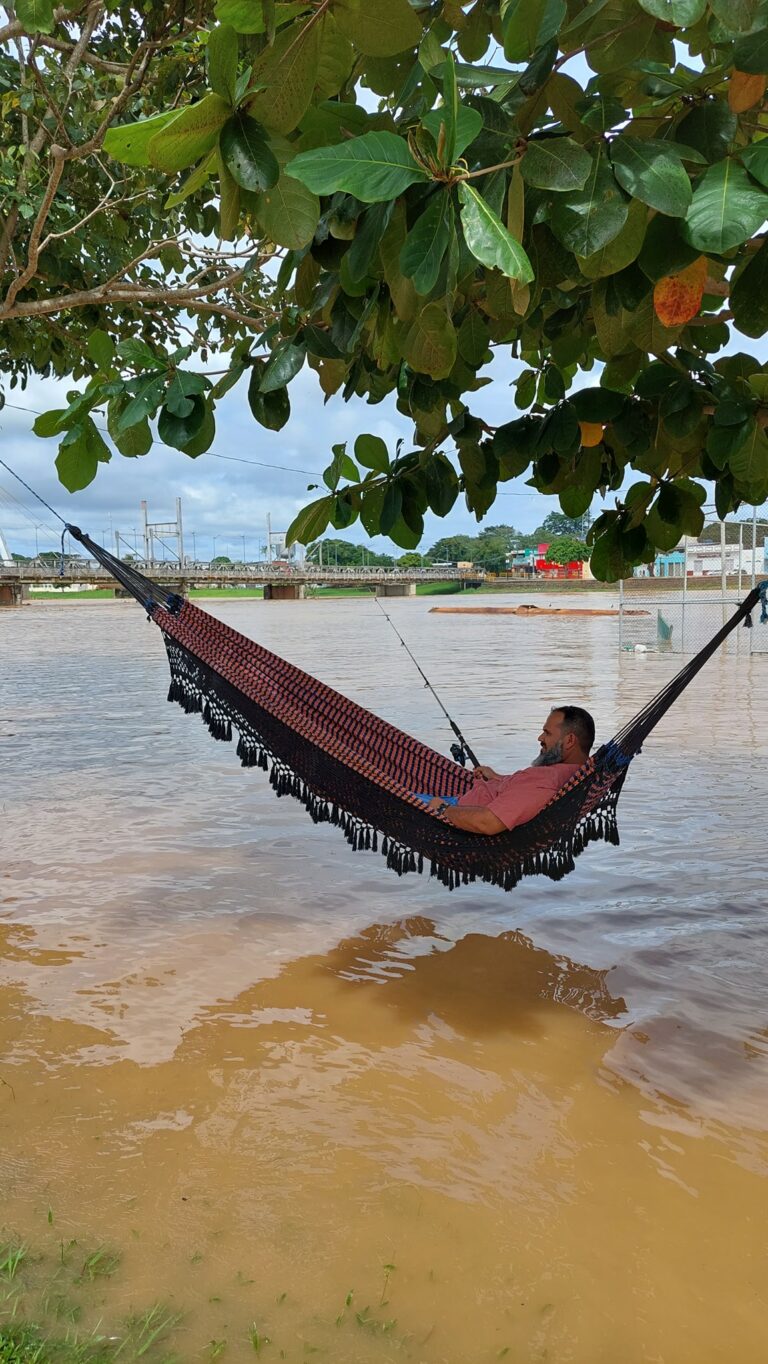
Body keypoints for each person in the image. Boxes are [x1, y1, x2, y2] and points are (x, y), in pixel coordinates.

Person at [420, 706, 595, 836]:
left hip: (456, 810)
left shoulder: (544, 781)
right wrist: (497, 778)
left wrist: (443, 809)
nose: (540, 738)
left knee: (393, 791)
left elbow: (488, 823)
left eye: (547, 733)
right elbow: (522, 794)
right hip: (466, 799)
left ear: (570, 740)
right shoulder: (573, 773)